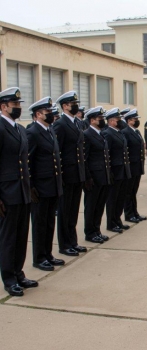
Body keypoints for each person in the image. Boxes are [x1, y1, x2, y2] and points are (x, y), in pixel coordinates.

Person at [0, 87, 38, 296]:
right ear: (3, 106)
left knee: (22, 234)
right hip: (7, 192)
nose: (18, 108)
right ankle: (8, 278)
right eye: (14, 105)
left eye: (19, 105)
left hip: (22, 190)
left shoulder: (19, 129)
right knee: (8, 237)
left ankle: (19, 273)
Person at [27, 97, 64, 271]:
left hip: (52, 184)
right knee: (40, 223)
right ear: (38, 114)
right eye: (47, 112)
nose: (50, 115)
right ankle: (39, 257)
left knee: (49, 222)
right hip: (40, 187)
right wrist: (31, 186)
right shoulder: (33, 132)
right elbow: (29, 162)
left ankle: (48, 254)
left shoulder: (49, 130)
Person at [53, 91, 87, 256]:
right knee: (65, 211)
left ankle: (73, 241)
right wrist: (60, 175)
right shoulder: (60, 124)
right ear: (65, 106)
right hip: (67, 174)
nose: (76, 106)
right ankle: (64, 244)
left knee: (73, 211)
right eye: (73, 104)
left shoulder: (77, 123)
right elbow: (57, 152)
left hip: (77, 173)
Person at [83, 107, 111, 244]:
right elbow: (85, 159)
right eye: (100, 118)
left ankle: (97, 230)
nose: (102, 120)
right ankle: (90, 232)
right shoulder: (87, 135)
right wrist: (88, 177)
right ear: (92, 120)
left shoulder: (100, 134)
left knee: (100, 205)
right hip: (94, 178)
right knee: (91, 206)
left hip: (103, 176)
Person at [104, 108, 131, 233]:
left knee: (121, 197)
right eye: (118, 120)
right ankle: (111, 222)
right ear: (111, 121)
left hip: (123, 169)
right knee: (113, 198)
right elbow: (107, 154)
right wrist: (109, 171)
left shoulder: (119, 132)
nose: (120, 122)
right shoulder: (108, 133)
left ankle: (117, 220)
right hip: (115, 170)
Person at [121, 109, 146, 223]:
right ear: (129, 121)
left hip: (138, 165)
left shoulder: (136, 131)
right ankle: (129, 214)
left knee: (134, 191)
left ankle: (135, 212)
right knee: (128, 191)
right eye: (134, 119)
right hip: (131, 165)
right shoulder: (125, 132)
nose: (136, 121)